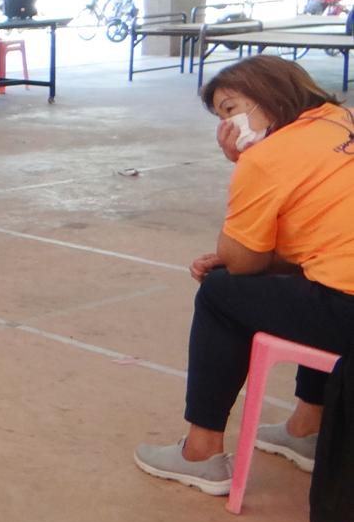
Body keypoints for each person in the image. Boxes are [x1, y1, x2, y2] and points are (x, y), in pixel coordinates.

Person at [135, 56, 354, 494]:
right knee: (308, 278)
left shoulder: (266, 158)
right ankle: (305, 428)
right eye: (221, 117)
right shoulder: (340, 119)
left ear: (267, 95)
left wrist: (242, 163)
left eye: (231, 109)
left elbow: (241, 262)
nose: (227, 126)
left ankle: (201, 452)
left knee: (220, 292)